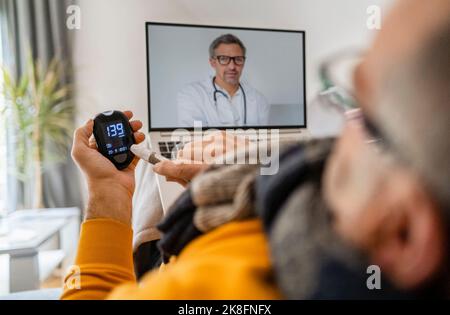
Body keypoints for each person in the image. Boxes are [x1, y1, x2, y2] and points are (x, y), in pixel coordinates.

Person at [63, 0, 450, 299]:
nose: (342, 132)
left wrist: (109, 193)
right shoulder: (191, 96)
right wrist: (244, 173)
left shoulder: (224, 283)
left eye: (361, 111)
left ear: (408, 233)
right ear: (213, 62)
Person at [177, 34, 270, 127]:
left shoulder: (259, 100)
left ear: (243, 62)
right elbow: (194, 138)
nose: (232, 67)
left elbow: (262, 139)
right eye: (224, 59)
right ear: (213, 63)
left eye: (238, 59)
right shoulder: (192, 94)